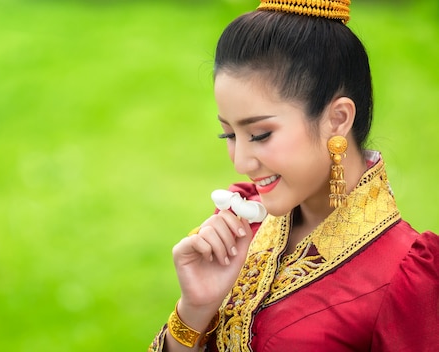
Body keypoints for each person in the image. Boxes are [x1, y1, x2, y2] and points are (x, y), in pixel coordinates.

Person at [148, 0, 439, 351]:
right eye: (229, 135)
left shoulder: (403, 276)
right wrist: (194, 309)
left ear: (337, 119)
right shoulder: (238, 229)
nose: (241, 161)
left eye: (260, 135)